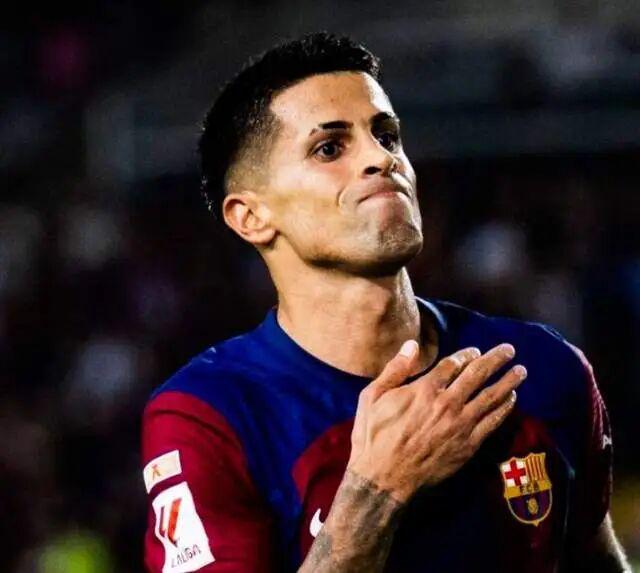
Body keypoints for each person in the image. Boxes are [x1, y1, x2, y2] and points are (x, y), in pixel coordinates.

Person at [141, 33, 630, 572]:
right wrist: (376, 490)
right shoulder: (208, 417)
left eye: (387, 135)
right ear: (251, 217)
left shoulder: (541, 367)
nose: (381, 158)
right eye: (330, 148)